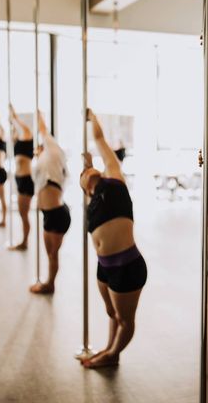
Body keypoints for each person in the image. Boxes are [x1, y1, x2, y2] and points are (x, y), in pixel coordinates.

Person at [79, 109, 147, 368]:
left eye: (91, 167)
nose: (88, 170)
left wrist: (92, 117)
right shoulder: (92, 203)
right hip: (104, 267)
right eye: (83, 172)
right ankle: (109, 349)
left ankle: (112, 354)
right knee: (112, 313)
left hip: (128, 265)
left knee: (125, 319)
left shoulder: (115, 179)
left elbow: (99, 140)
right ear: (84, 186)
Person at [30, 111, 71, 294]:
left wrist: (39, 116)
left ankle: (50, 285)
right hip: (48, 214)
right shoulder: (42, 167)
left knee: (53, 254)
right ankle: (48, 282)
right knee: (50, 254)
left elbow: (44, 130)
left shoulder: (53, 151)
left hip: (57, 214)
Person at [9, 104, 34, 250]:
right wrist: (11, 121)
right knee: (21, 213)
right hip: (20, 180)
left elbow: (25, 129)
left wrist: (15, 116)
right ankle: (23, 241)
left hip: (26, 180)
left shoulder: (28, 137)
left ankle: (24, 242)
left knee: (24, 214)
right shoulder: (19, 142)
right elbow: (14, 132)